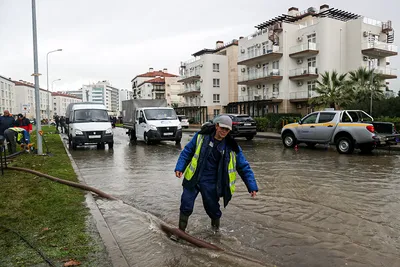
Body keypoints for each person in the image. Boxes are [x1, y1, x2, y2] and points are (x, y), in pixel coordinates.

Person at [174, 115, 258, 232]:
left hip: (212, 183)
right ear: (217, 126)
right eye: (222, 128)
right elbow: (187, 152)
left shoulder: (232, 147)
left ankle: (215, 233)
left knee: (213, 210)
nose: (224, 131)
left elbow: (244, 167)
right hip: (194, 178)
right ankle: (180, 231)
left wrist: (252, 186)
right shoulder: (201, 137)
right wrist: (180, 167)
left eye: (227, 129)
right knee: (186, 205)